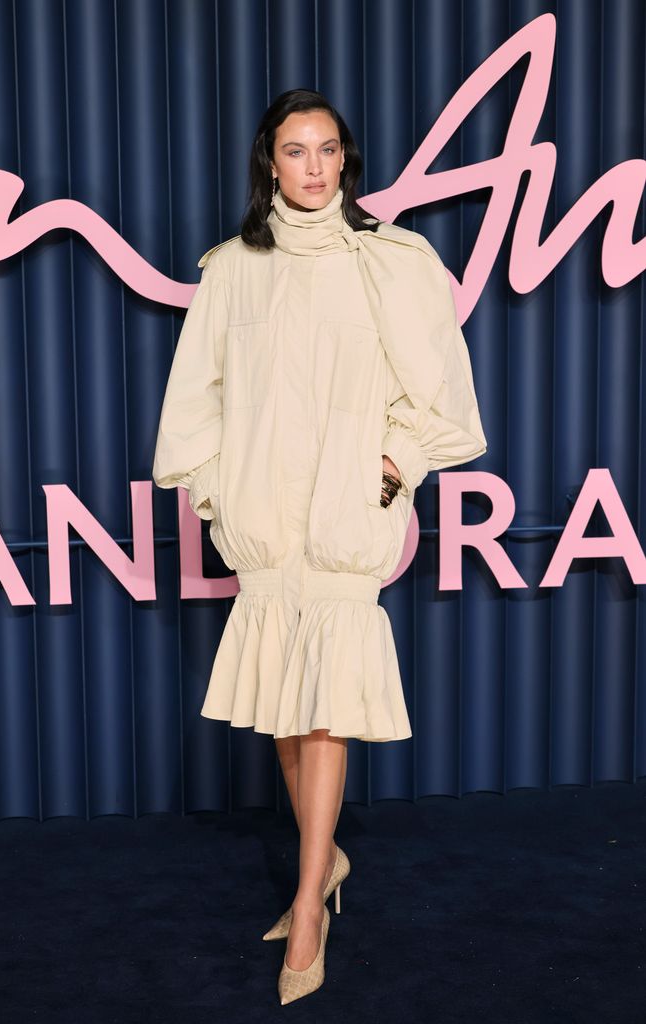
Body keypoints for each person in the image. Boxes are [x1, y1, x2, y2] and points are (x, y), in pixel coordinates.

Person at [152, 88, 487, 1005]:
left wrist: (393, 465)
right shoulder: (231, 271)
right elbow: (194, 404)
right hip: (264, 525)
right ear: (270, 162)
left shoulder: (393, 262)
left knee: (326, 709)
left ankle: (307, 907)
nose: (313, 167)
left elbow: (444, 400)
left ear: (346, 160)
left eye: (327, 150)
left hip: (346, 523)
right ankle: (327, 855)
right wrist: (221, 498)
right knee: (287, 713)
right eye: (295, 151)